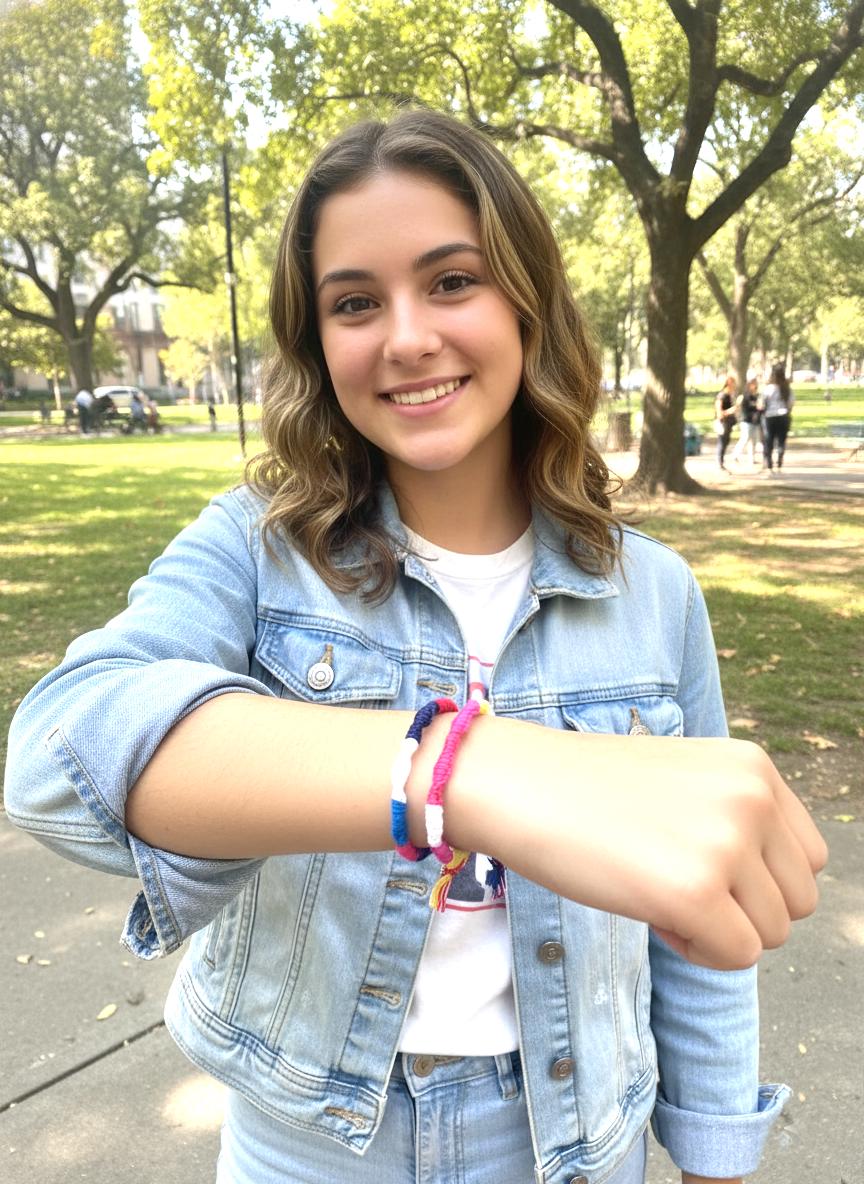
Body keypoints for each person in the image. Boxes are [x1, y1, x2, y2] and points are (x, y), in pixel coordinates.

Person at [4, 111, 825, 1184]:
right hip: (311, 1142)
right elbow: (56, 759)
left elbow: (702, 922)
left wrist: (717, 1152)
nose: (404, 335)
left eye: (451, 281)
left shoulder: (655, 593)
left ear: (527, 302)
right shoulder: (256, 551)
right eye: (355, 302)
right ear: (316, 342)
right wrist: (460, 770)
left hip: (577, 1140)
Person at [760, 363, 794, 475]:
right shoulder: (787, 389)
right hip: (783, 416)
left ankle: (769, 465)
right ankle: (779, 463)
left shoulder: (768, 389)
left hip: (770, 416)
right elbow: (791, 404)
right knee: (781, 441)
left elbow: (761, 404)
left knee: (769, 440)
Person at [730, 378, 761, 467]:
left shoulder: (757, 396)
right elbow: (739, 407)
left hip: (755, 421)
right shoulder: (744, 396)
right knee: (745, 438)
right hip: (746, 420)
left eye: (756, 384)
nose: (755, 386)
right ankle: (735, 455)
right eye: (753, 384)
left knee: (753, 440)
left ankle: (752, 458)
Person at [713, 375, 737, 470]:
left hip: (729, 422)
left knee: (726, 441)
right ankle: (720, 462)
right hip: (723, 422)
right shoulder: (722, 396)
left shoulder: (730, 396)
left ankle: (721, 461)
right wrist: (730, 411)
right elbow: (719, 412)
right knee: (722, 442)